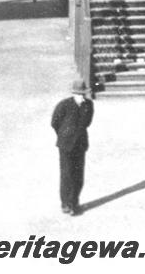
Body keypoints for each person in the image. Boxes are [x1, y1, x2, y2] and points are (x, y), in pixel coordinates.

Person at [50, 79, 94, 216]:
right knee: (66, 174)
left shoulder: (89, 105)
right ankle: (65, 204)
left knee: (78, 175)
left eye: (83, 94)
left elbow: (87, 123)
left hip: (80, 144)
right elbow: (54, 122)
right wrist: (64, 135)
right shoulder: (64, 105)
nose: (81, 97)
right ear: (73, 94)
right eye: (78, 94)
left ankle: (75, 202)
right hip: (66, 145)